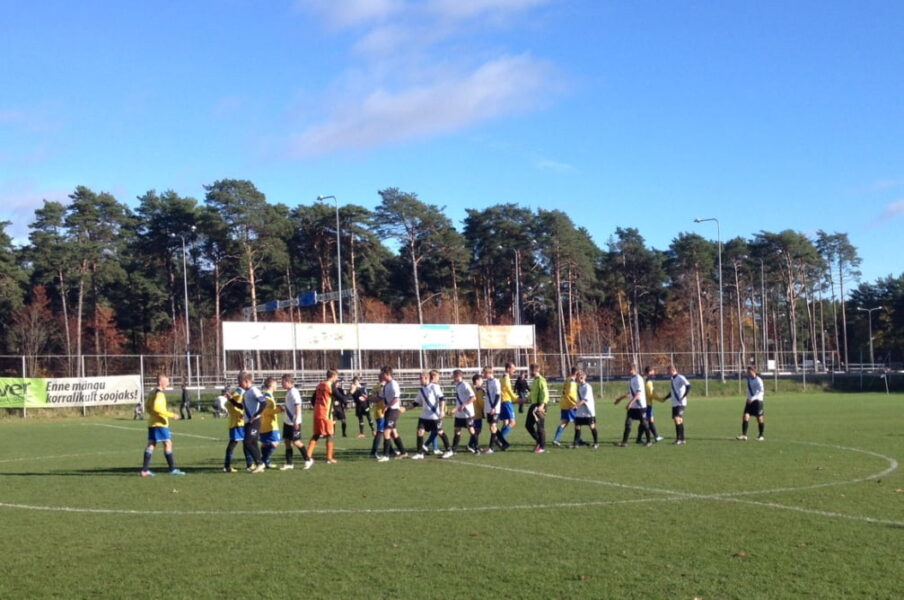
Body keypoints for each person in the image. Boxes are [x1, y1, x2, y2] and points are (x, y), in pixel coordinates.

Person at [139, 373, 186, 477]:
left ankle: (144, 470)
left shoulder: (152, 392)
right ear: (161, 382)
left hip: (152, 422)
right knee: (168, 443)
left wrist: (152, 415)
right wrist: (172, 415)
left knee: (151, 444)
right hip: (160, 423)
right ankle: (172, 469)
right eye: (167, 381)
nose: (168, 383)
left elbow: (147, 406)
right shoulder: (160, 394)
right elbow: (157, 408)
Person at [411, 372, 453, 460]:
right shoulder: (421, 390)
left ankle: (449, 450)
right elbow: (416, 403)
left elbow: (442, 399)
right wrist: (405, 408)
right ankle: (419, 453)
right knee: (420, 432)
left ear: (426, 378)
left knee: (439, 432)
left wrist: (441, 411)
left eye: (421, 378)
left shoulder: (434, 387)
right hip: (424, 416)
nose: (419, 380)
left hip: (434, 416)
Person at [614, 364, 653, 448]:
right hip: (633, 407)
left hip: (640, 406)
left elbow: (638, 394)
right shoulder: (632, 379)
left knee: (644, 423)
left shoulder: (638, 379)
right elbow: (630, 393)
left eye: (628, 369)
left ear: (633, 369)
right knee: (628, 423)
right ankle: (624, 442)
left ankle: (649, 441)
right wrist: (620, 399)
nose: (627, 371)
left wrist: (630, 403)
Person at [280, 374, 313, 470]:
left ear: (288, 382)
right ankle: (289, 463)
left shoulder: (294, 392)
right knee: (287, 441)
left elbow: (298, 406)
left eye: (283, 382)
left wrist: (296, 420)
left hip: (294, 422)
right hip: (287, 421)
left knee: (296, 442)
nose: (281, 384)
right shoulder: (289, 392)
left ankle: (308, 459)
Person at [376, 366, 408, 462]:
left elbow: (396, 398)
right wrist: (367, 398)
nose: (381, 375)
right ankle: (403, 452)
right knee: (393, 433)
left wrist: (387, 406)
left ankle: (386, 455)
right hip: (389, 411)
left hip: (393, 411)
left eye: (382, 373)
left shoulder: (394, 384)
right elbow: (379, 398)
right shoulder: (386, 385)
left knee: (386, 431)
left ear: (387, 374)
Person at [238, 371, 267, 473]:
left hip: (254, 421)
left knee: (248, 442)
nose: (239, 384)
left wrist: (255, 416)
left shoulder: (254, 390)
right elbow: (243, 407)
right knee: (252, 443)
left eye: (240, 382)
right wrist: (231, 401)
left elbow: (264, 403)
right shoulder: (246, 392)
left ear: (246, 381)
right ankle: (259, 464)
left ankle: (260, 463)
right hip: (248, 422)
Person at [308, 369, 338, 464]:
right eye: (336, 376)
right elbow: (342, 398)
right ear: (333, 376)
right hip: (325, 414)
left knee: (316, 435)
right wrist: (351, 392)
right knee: (330, 435)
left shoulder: (320, 385)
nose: (337, 378)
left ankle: (308, 456)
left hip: (317, 413)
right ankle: (329, 458)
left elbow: (313, 400)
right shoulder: (330, 386)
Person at [451, 369, 479, 454]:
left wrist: (464, 405)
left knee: (471, 430)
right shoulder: (457, 386)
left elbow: (473, 397)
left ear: (458, 376)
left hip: (467, 413)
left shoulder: (465, 385)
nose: (453, 377)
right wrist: (455, 410)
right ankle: (454, 449)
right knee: (457, 430)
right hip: (460, 413)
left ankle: (477, 449)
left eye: (454, 376)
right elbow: (459, 400)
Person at [524, 363, 549, 453]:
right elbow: (533, 393)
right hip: (534, 405)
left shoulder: (541, 380)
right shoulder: (535, 380)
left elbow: (545, 394)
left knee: (540, 427)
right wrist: (526, 399)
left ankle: (542, 447)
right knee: (528, 425)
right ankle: (539, 441)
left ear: (535, 370)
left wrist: (542, 405)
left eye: (530, 370)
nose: (530, 372)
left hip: (540, 405)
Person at [637, 366, 665, 444]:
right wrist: (660, 399)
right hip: (647, 405)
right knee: (649, 421)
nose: (653, 373)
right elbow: (651, 394)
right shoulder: (648, 382)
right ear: (648, 373)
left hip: (645, 404)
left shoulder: (645, 381)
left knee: (644, 421)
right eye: (652, 371)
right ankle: (656, 436)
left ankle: (639, 439)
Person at [258, 377, 282, 469]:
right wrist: (278, 410)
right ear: (271, 385)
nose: (277, 386)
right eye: (276, 384)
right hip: (270, 425)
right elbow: (265, 411)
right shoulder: (267, 397)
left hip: (264, 424)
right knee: (275, 442)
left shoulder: (266, 396)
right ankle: (263, 460)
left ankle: (266, 462)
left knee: (265, 444)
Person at [483, 366, 508, 452]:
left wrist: (493, 407)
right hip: (489, 407)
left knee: (493, 427)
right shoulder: (487, 382)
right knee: (491, 427)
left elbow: (498, 395)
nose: (484, 375)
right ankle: (504, 443)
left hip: (495, 408)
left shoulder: (496, 381)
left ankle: (491, 448)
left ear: (489, 373)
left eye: (485, 373)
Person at [664, 365, 691, 444]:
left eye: (668, 371)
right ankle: (682, 439)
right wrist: (665, 398)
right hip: (674, 403)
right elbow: (672, 392)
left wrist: (683, 396)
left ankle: (678, 439)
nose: (667, 373)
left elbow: (688, 386)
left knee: (677, 419)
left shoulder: (680, 377)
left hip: (681, 403)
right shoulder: (672, 379)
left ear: (672, 370)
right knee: (678, 420)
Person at [738, 366, 766, 441]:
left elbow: (761, 391)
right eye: (747, 372)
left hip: (758, 401)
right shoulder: (749, 380)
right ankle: (744, 435)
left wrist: (753, 398)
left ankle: (761, 435)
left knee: (759, 418)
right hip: (750, 401)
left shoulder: (759, 380)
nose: (748, 373)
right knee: (745, 415)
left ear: (754, 371)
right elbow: (749, 391)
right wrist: (748, 398)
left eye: (749, 372)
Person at [572, 370, 599, 448]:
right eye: (577, 376)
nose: (578, 378)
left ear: (583, 377)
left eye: (580, 376)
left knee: (592, 426)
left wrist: (576, 406)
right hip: (580, 411)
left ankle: (596, 443)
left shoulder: (588, 387)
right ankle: (576, 443)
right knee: (577, 426)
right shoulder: (579, 387)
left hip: (588, 411)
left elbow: (585, 400)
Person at [553, 367, 578, 446]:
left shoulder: (567, 379)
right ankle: (578, 439)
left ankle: (556, 439)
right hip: (569, 405)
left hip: (563, 403)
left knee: (565, 422)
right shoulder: (572, 382)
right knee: (577, 422)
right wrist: (575, 403)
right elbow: (570, 394)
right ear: (576, 373)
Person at [223, 385, 245, 473]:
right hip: (237, 424)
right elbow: (238, 406)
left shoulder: (233, 399)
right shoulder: (238, 395)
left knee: (247, 443)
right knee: (233, 445)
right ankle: (227, 466)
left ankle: (250, 464)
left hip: (236, 423)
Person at [499, 362, 518, 445]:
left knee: (505, 423)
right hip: (507, 401)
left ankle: (500, 441)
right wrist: (515, 397)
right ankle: (499, 440)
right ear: (508, 369)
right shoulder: (506, 377)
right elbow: (508, 388)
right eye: (513, 368)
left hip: (502, 401)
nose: (514, 370)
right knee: (512, 423)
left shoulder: (502, 377)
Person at [471, 373, 485, 452]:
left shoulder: (470, 387)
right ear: (477, 381)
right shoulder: (478, 389)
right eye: (481, 380)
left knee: (473, 429)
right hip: (477, 412)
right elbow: (480, 401)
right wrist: (484, 409)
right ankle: (472, 445)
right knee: (477, 430)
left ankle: (472, 444)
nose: (482, 381)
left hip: (471, 412)